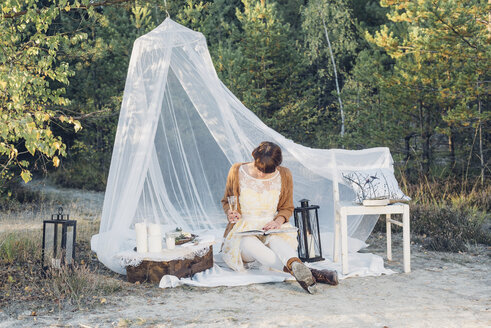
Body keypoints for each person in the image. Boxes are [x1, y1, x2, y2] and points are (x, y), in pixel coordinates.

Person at [220, 141, 338, 294]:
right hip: (243, 232)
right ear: (254, 157)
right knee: (250, 243)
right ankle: (314, 273)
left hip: (271, 228)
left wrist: (277, 222)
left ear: (277, 165)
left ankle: (301, 271)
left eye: (267, 171)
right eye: (259, 169)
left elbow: (287, 208)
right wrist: (230, 212)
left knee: (277, 241)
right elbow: (227, 201)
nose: (262, 174)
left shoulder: (285, 174)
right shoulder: (236, 171)